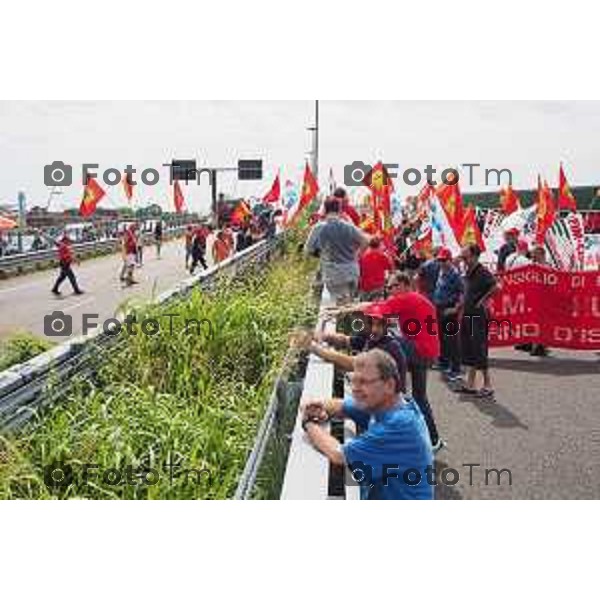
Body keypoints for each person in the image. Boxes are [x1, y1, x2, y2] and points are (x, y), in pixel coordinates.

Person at [301, 349, 433, 500]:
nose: (356, 389)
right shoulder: (389, 405)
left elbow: (338, 454)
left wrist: (309, 423)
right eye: (354, 381)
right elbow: (342, 406)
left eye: (363, 382)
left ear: (389, 385)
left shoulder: (400, 425)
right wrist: (319, 407)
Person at [293, 303, 407, 394]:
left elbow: (351, 363)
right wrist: (322, 336)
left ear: (386, 325)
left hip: (387, 403)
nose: (374, 329)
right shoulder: (372, 336)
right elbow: (346, 341)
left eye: (379, 325)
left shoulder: (387, 347)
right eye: (371, 324)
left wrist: (313, 348)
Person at [305, 196, 370, 305]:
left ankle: (345, 320)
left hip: (334, 273)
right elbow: (365, 241)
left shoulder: (319, 228)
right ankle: (348, 319)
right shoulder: (349, 227)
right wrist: (356, 256)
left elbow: (308, 249)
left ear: (325, 209)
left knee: (339, 307)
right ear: (340, 210)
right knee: (348, 303)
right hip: (352, 271)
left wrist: (320, 254)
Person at [455, 243, 498, 399]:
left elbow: (496, 286)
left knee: (479, 349)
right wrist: (461, 304)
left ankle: (488, 385)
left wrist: (483, 300)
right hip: (468, 314)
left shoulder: (482, 271)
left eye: (465, 256)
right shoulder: (469, 270)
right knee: (469, 348)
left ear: (474, 256)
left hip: (477, 316)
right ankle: (470, 384)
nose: (463, 259)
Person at [431, 247, 464, 381]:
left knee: (451, 340)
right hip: (439, 308)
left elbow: (462, 294)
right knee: (442, 337)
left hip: (449, 309)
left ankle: (455, 368)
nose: (441, 262)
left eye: (444, 260)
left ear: (450, 260)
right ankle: (444, 362)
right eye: (439, 260)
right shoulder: (441, 271)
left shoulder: (455, 275)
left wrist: (455, 309)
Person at [358, 237, 394, 301]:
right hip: (378, 286)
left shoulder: (362, 257)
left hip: (365, 286)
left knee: (365, 308)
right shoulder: (383, 256)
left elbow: (359, 272)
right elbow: (391, 269)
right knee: (377, 307)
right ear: (379, 245)